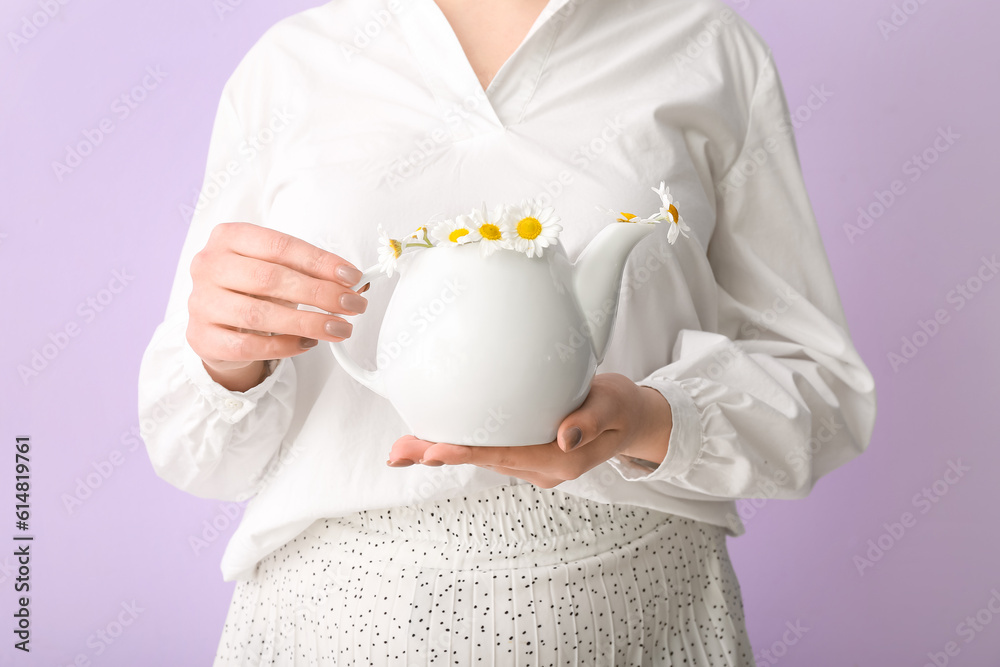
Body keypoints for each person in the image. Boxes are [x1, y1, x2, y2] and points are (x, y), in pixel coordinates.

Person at [138, 0, 877, 663]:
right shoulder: (289, 66)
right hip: (325, 629)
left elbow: (823, 394)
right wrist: (228, 359)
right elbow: (191, 452)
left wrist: (648, 420)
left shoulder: (707, 47)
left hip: (650, 624)